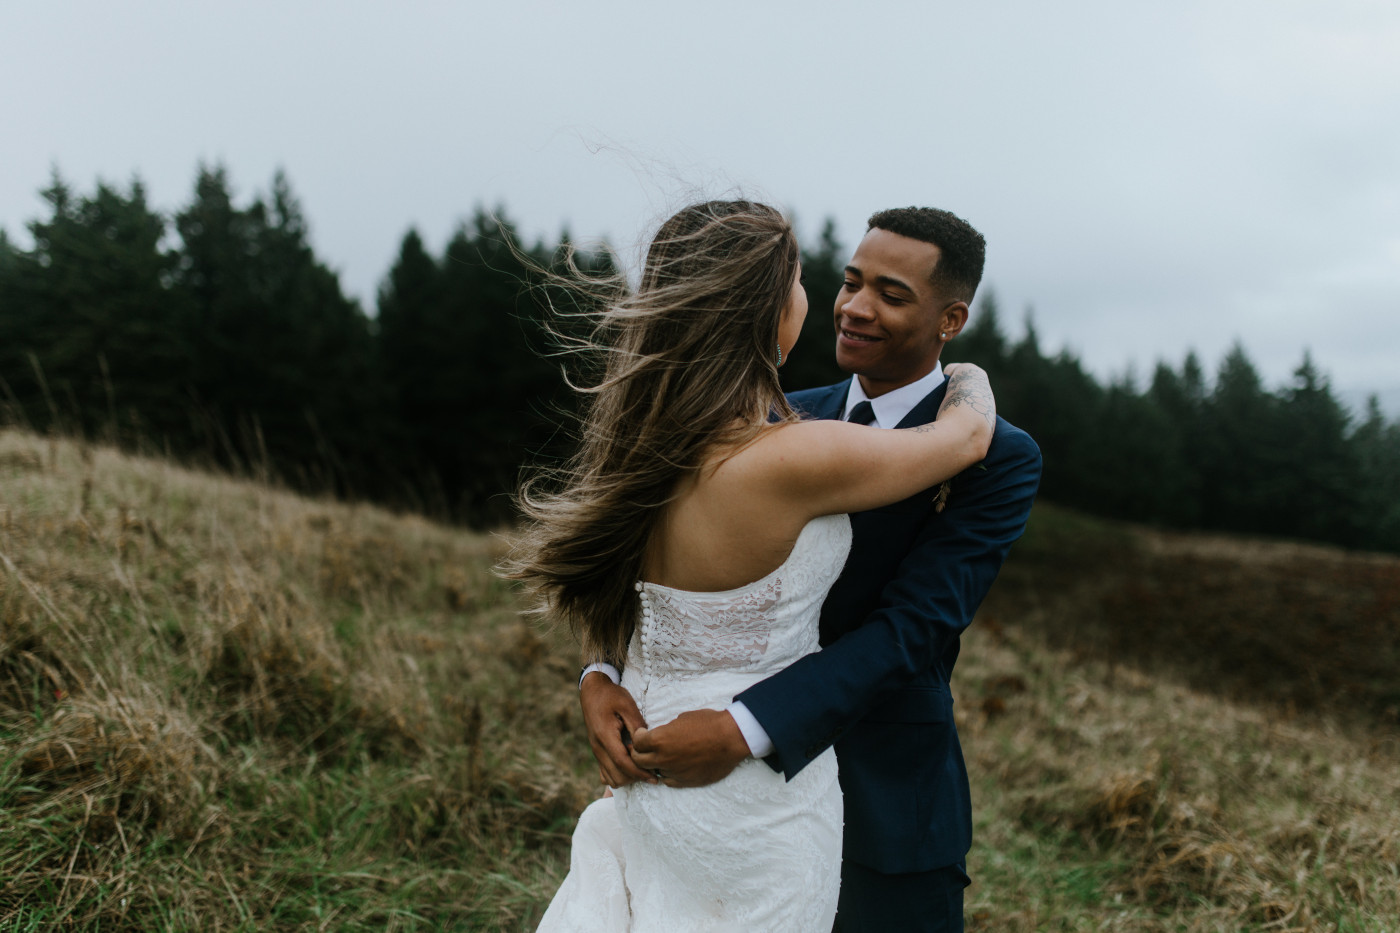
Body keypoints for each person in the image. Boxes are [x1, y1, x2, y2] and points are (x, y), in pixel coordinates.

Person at [507, 200, 999, 931]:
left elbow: (911, 628)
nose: (850, 306)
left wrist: (621, 681)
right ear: (770, 306)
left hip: (708, 768)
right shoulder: (793, 442)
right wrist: (972, 377)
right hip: (750, 802)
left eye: (889, 293)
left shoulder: (660, 431)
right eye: (833, 280)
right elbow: (964, 436)